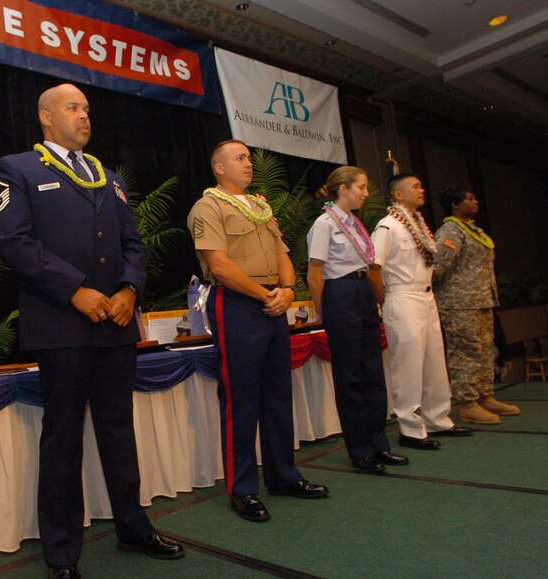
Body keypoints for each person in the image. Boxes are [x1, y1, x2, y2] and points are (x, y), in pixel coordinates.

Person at [0, 83, 184, 579]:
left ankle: (133, 528)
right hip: (61, 324)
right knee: (62, 439)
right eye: (73, 108)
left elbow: (133, 245)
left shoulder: (108, 176)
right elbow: (13, 241)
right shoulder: (18, 169)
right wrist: (74, 291)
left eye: (87, 109)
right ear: (46, 117)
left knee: (119, 431)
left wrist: (128, 290)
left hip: (116, 325)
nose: (84, 116)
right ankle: (61, 554)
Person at [187, 140, 328, 523]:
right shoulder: (209, 206)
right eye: (240, 158)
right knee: (241, 399)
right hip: (237, 303)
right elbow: (219, 265)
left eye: (249, 157)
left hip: (271, 302)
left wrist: (286, 291)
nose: (249, 163)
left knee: (278, 394)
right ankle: (243, 488)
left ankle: (283, 476)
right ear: (219, 167)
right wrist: (269, 295)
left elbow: (283, 256)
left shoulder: (261, 208)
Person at [306, 166, 408, 474]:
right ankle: (360, 450)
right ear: (343, 188)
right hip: (340, 293)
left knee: (373, 372)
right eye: (360, 187)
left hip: (363, 290)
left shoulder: (355, 223)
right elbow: (314, 275)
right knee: (350, 376)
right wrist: (326, 311)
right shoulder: (324, 224)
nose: (365, 193)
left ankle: (380, 444)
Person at [370, 174, 472, 450]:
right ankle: (411, 428)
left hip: (426, 296)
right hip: (402, 296)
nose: (422, 189)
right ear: (398, 195)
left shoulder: (419, 224)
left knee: (434, 358)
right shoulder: (388, 226)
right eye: (415, 186)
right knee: (409, 363)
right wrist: (383, 298)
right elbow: (373, 267)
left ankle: (438, 418)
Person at [433, 184, 520, 424]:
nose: (475, 202)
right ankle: (467, 403)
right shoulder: (451, 231)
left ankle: (485, 395)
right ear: (455, 204)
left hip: (481, 299)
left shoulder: (474, 230)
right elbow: (437, 267)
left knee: (484, 350)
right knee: (465, 352)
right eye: (469, 199)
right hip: (460, 303)